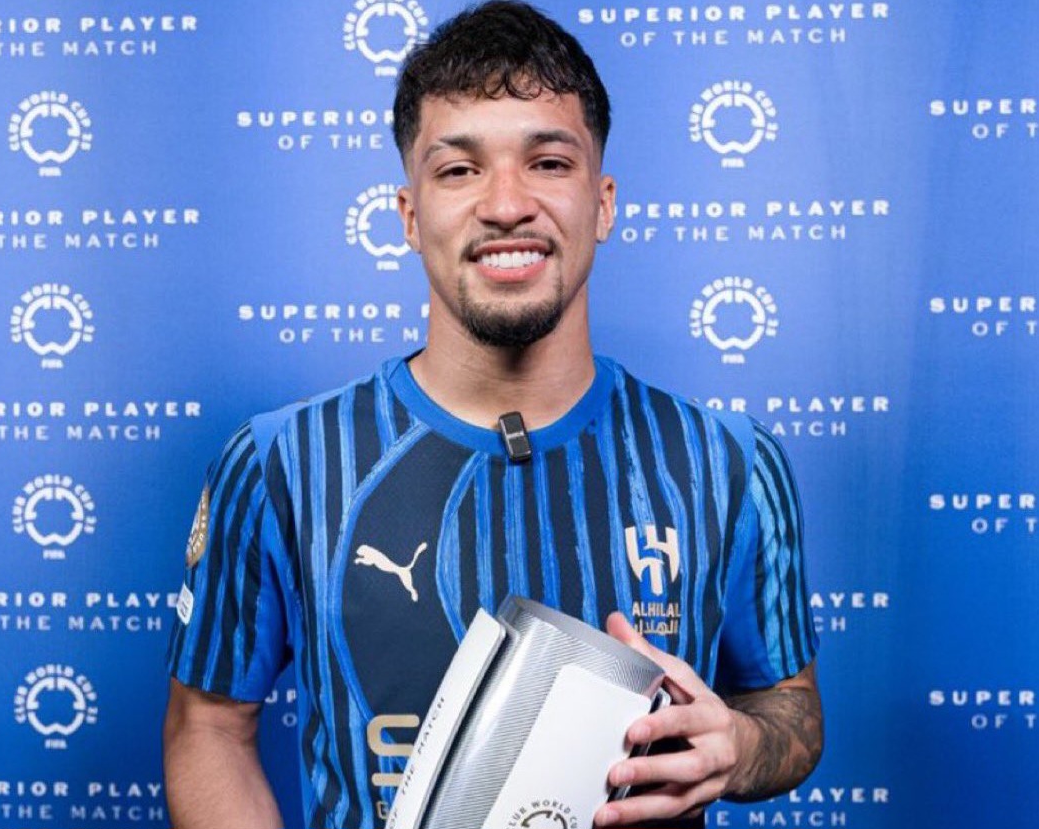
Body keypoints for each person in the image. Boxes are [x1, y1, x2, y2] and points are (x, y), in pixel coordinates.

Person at [162, 3, 823, 827]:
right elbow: (208, 727)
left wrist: (741, 746)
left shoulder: (730, 462)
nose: (506, 203)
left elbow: (791, 707)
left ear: (603, 203)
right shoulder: (281, 464)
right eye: (459, 170)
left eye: (548, 162)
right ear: (410, 216)